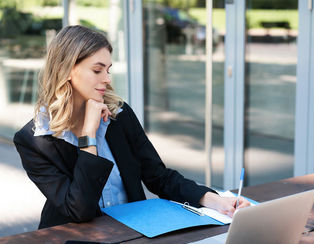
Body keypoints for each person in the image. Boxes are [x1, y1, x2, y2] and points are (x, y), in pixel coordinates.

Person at [13, 25, 250, 229]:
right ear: (66, 71)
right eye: (97, 70)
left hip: (132, 233)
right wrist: (88, 136)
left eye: (108, 70)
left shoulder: (119, 114)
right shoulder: (35, 140)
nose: (107, 79)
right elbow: (80, 210)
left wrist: (215, 201)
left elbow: (159, 177)